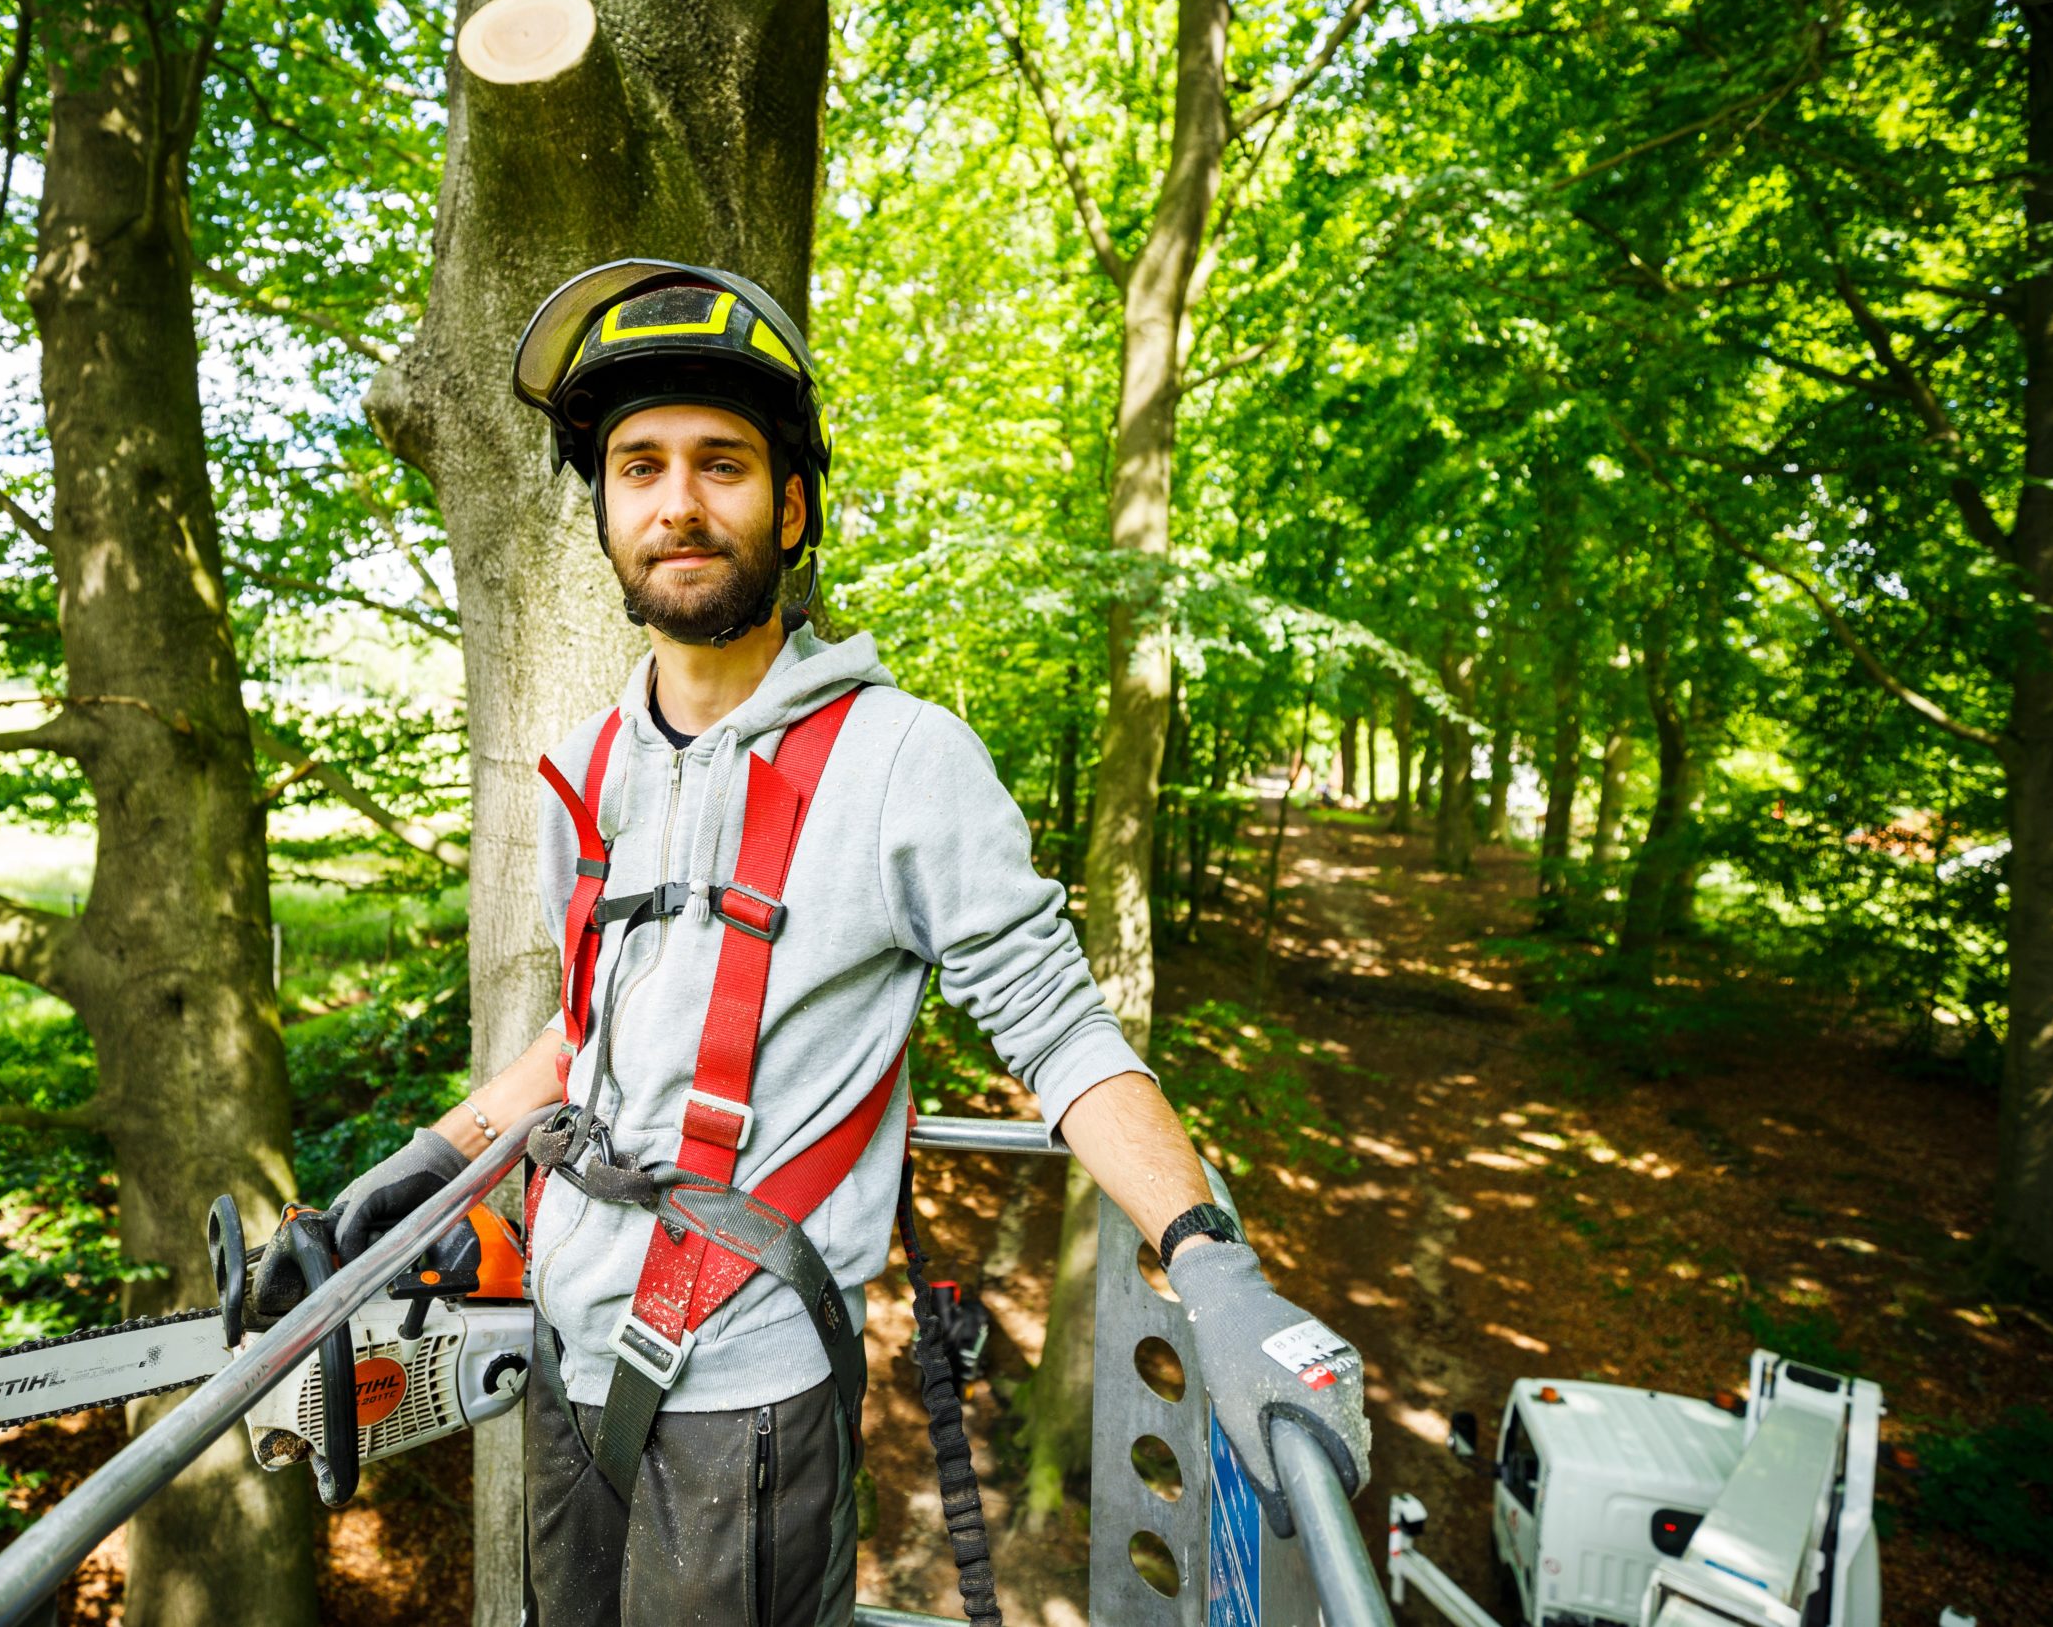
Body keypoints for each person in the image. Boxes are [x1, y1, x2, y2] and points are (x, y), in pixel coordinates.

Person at [297, 261, 1368, 1627]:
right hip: (565, 1363)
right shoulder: (594, 770)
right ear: (607, 510)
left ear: (790, 505)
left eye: (720, 463)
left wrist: (1212, 1261)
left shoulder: (904, 764)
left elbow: (1064, 1035)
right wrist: (429, 1165)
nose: (676, 502)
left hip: (743, 1404)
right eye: (638, 468)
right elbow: (592, 1032)